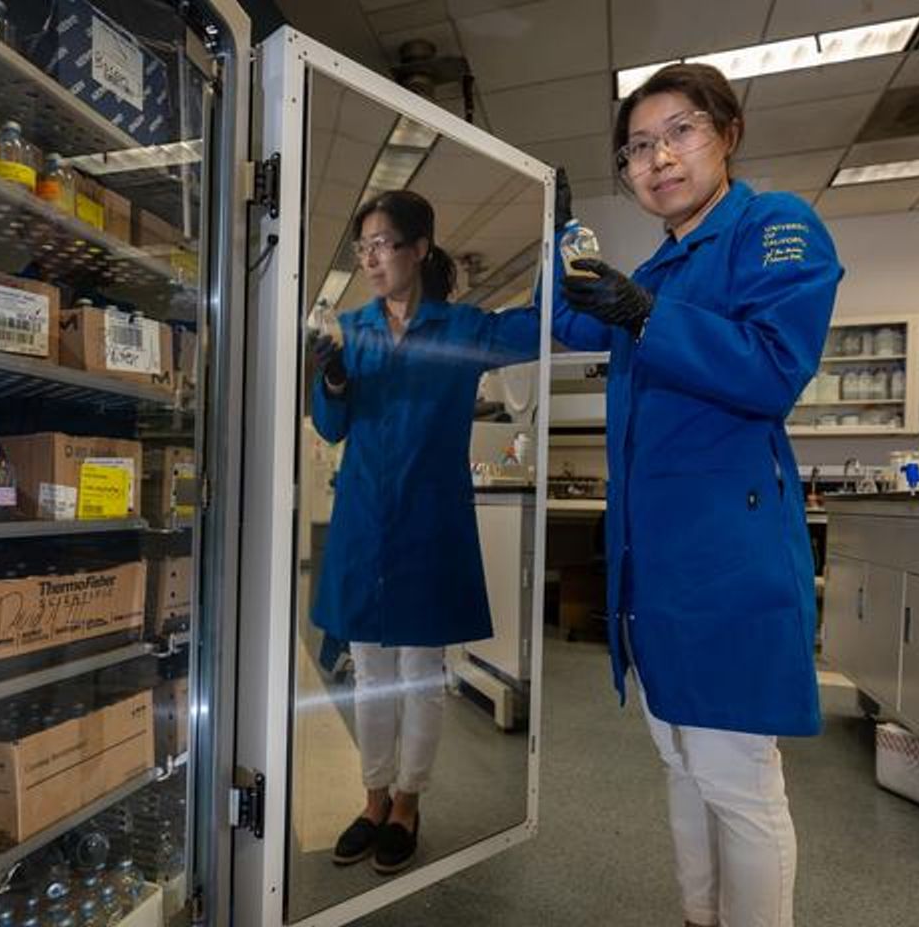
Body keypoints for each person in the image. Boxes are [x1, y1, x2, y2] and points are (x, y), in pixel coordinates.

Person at [551, 63, 843, 927]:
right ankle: (697, 914)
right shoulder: (662, 264)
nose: (658, 158)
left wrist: (643, 315)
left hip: (726, 559)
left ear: (728, 133)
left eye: (680, 131)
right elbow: (565, 317)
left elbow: (771, 368)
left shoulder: (776, 225)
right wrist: (554, 235)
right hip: (658, 563)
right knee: (680, 757)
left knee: (737, 782)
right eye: (638, 146)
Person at [308, 189, 539, 875]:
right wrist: (333, 377)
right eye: (364, 248)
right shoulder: (352, 328)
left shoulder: (461, 328)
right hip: (363, 520)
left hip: (431, 520)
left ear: (418, 250)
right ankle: (372, 798)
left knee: (420, 673)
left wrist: (562, 267)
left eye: (383, 245)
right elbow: (329, 426)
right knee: (372, 669)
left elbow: (535, 329)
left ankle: (408, 801)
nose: (372, 259)